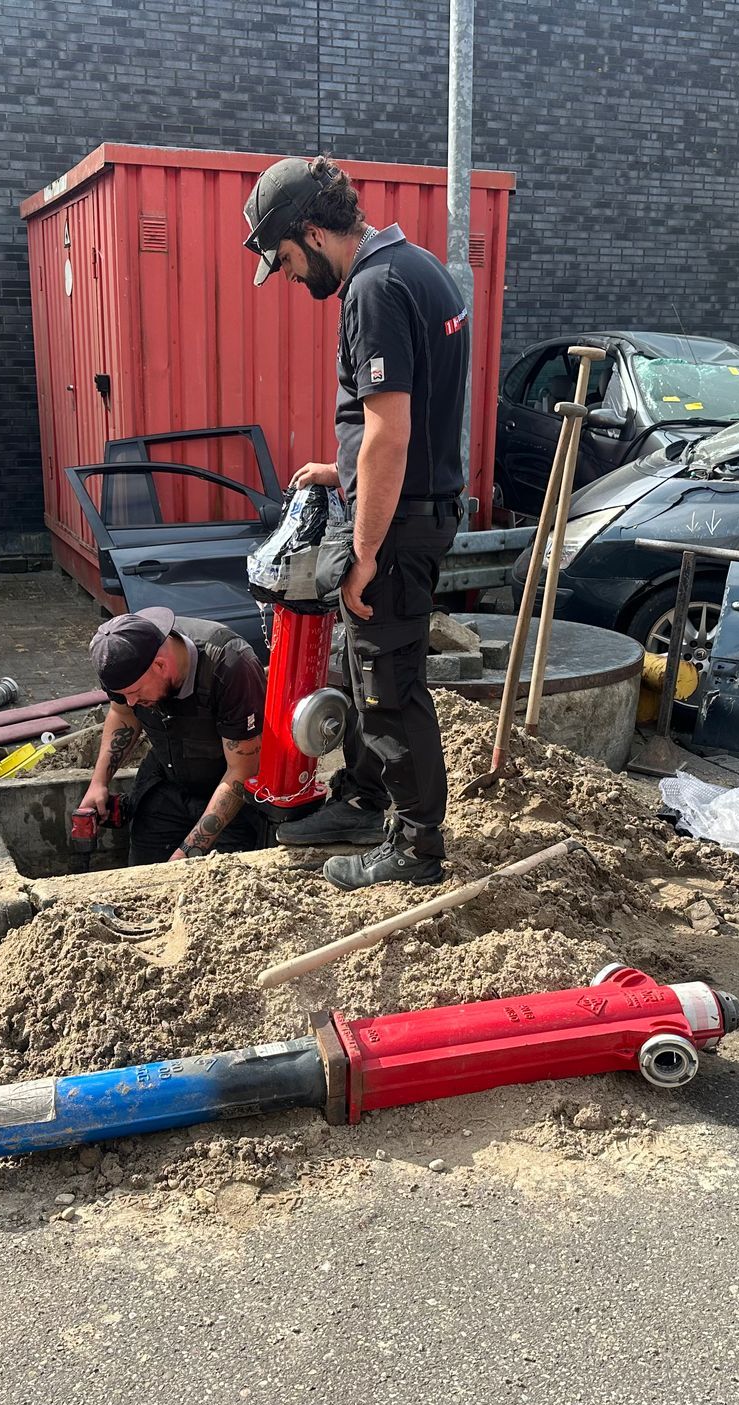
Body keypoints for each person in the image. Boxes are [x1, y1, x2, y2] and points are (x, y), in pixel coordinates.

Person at [242, 155, 470, 891]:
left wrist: (365, 548)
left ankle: (413, 849)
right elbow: (420, 420)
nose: (289, 276)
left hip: (396, 528)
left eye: (285, 260)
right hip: (409, 505)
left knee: (389, 686)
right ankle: (364, 802)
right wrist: (342, 471)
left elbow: (392, 432)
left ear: (310, 231)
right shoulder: (420, 267)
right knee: (361, 665)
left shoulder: (373, 288)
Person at [79, 606, 268, 866]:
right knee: (142, 878)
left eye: (135, 692)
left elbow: (243, 769)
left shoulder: (230, 666)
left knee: (213, 884)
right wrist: (98, 783)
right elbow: (123, 714)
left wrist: (188, 852)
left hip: (230, 794)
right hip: (167, 781)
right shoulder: (120, 658)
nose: (131, 700)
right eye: (124, 694)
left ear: (161, 665)